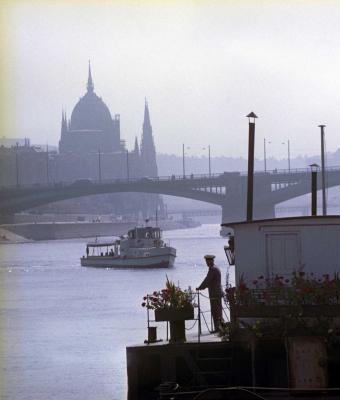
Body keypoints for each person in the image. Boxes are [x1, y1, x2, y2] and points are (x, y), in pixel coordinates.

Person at [196, 255, 223, 333]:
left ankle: (218, 328)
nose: (207, 263)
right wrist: (202, 287)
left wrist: (200, 287)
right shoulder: (214, 268)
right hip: (216, 293)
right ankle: (219, 328)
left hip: (215, 293)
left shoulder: (213, 269)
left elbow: (207, 280)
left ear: (211, 261)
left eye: (208, 261)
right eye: (206, 261)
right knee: (217, 311)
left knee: (216, 311)